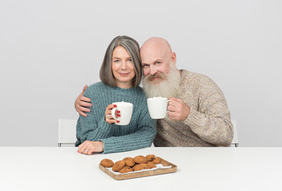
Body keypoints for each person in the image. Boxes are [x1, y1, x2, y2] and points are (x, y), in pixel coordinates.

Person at [75, 37, 233, 147]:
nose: (152, 71)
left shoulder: (201, 84)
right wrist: (84, 101)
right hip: (169, 165)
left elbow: (226, 135)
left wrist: (189, 115)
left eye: (158, 62)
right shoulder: (147, 92)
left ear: (173, 58)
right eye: (146, 65)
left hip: (212, 162)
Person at [75, 35, 156, 155]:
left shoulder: (146, 97)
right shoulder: (91, 93)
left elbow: (146, 137)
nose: (124, 67)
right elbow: (87, 142)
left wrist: (104, 145)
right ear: (109, 64)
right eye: (117, 60)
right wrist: (106, 123)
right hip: (90, 162)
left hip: (130, 164)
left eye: (130, 60)